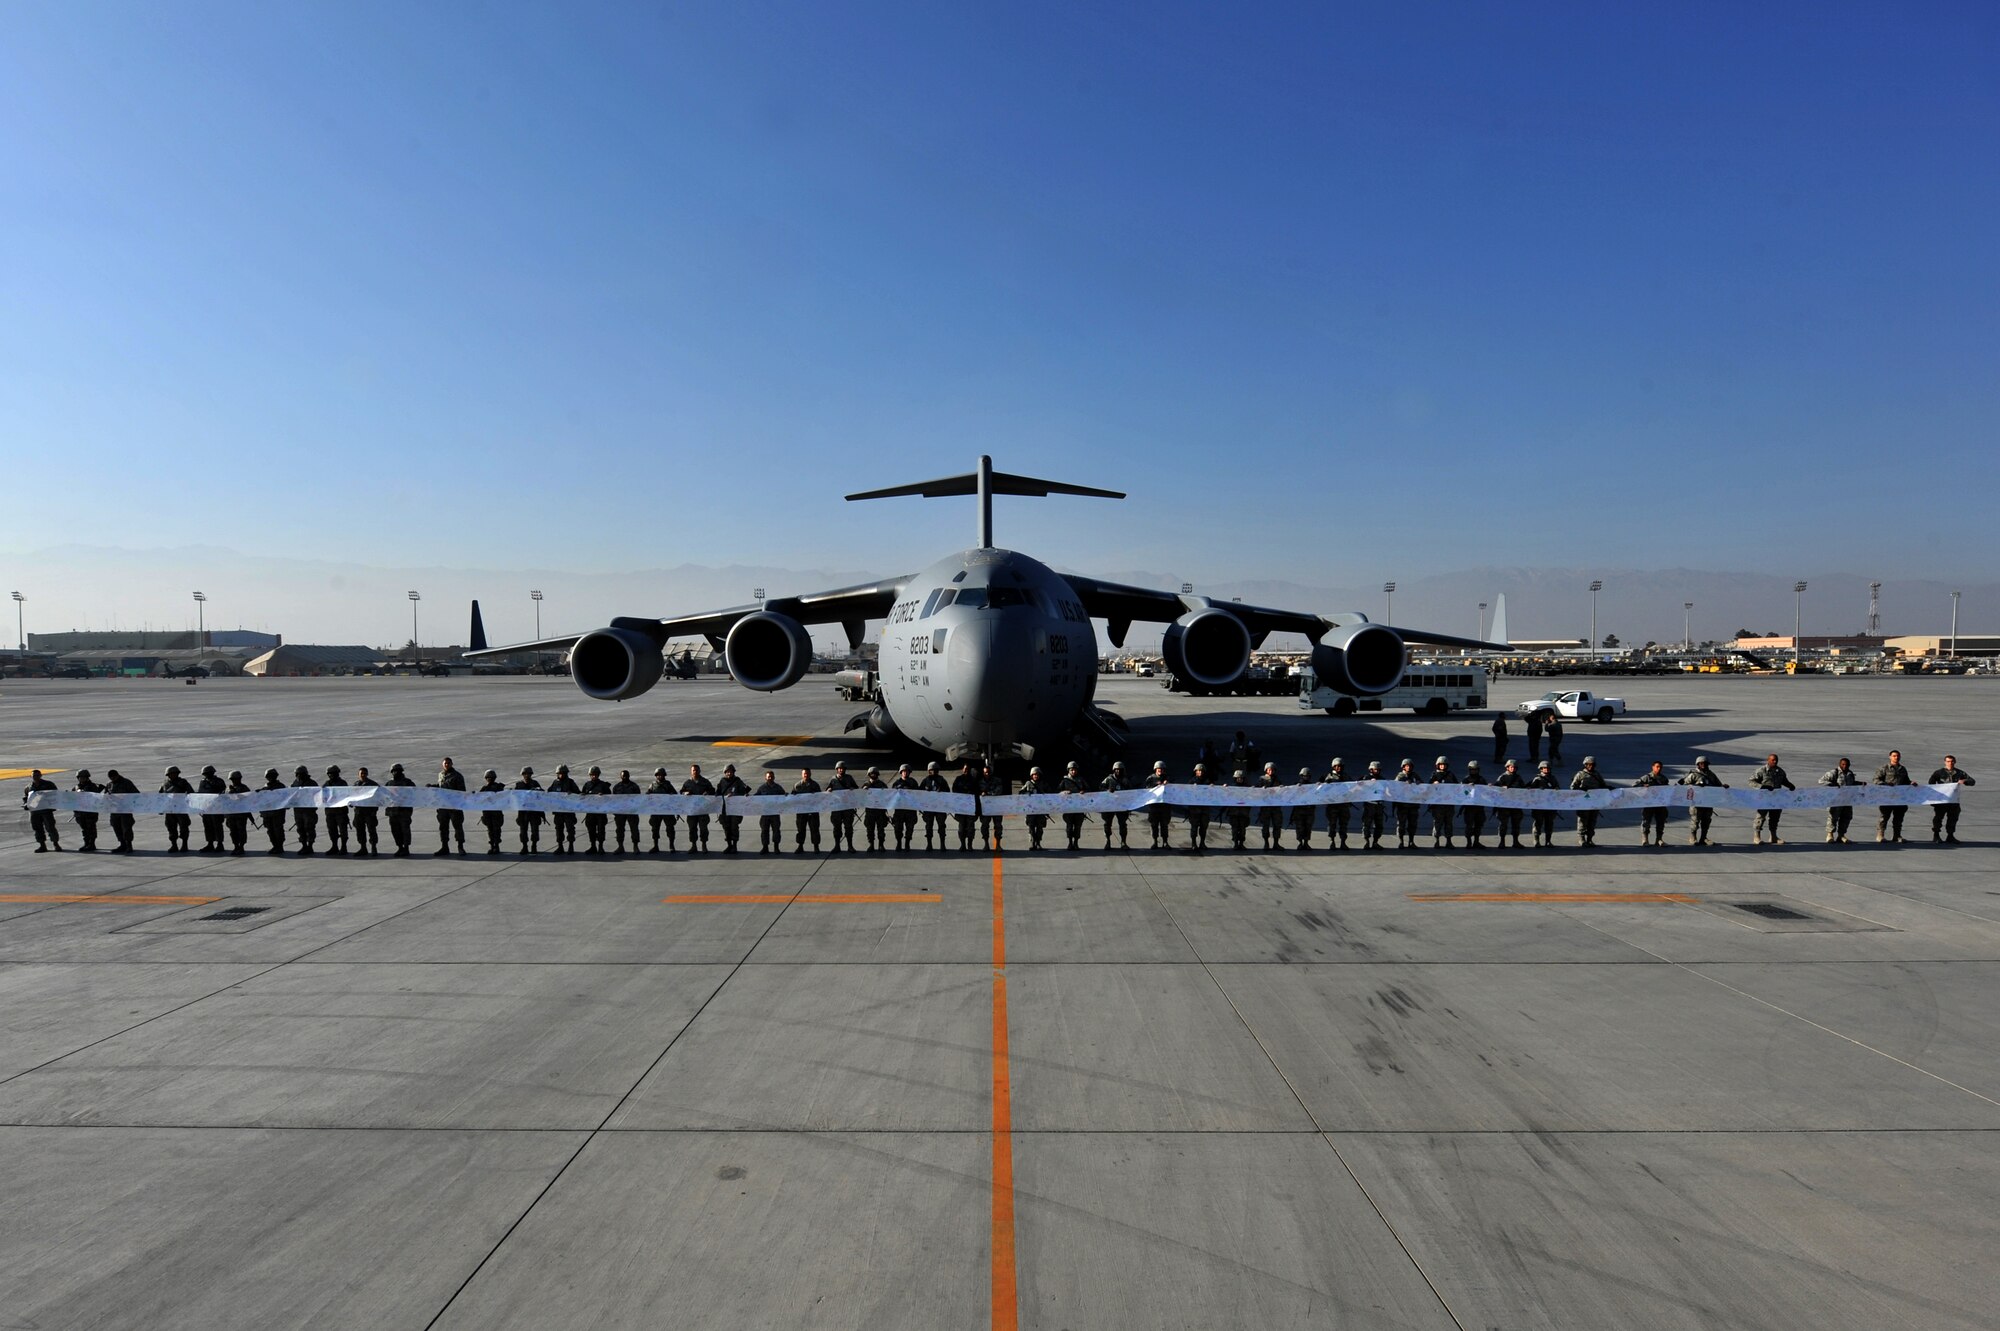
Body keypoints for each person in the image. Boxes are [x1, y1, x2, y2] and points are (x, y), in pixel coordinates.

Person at [1749, 754, 1794, 845]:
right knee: (1760, 817)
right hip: (1764, 798)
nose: (1775, 762)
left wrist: (1790, 786)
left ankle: (1773, 837)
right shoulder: (1761, 771)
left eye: (1776, 760)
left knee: (1775, 817)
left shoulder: (1780, 771)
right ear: (1768, 760)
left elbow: (1784, 781)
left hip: (1776, 799)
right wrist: (1762, 786)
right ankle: (1757, 836)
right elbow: (1751, 781)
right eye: (1773, 760)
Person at [1680, 756, 1725, 845]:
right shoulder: (1693, 775)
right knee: (1695, 820)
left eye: (1705, 763)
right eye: (1701, 763)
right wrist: (1696, 786)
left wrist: (1723, 787)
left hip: (1708, 802)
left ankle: (1703, 838)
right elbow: (1685, 787)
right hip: (1696, 802)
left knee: (1706, 821)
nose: (1703, 765)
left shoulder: (1711, 775)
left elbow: (1718, 785)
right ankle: (1693, 837)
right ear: (1698, 764)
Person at [1929, 756, 1974, 843]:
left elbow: (1972, 781)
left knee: (1953, 818)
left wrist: (1964, 781)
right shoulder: (1938, 773)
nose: (1950, 763)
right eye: (1948, 761)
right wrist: (1934, 797)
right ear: (1945, 762)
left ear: (1955, 762)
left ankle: (1950, 835)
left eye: (1952, 761)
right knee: (1938, 818)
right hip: (1942, 800)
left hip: (1953, 801)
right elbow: (1931, 784)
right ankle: (1936, 835)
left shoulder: (1959, 772)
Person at [1873, 750, 1913, 843]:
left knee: (1899, 817)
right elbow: (1876, 780)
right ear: (1890, 757)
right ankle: (1880, 835)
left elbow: (1906, 780)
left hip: (1900, 797)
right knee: (1884, 817)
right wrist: (1886, 784)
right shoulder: (1884, 768)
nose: (1896, 757)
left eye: (1898, 756)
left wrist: (1911, 783)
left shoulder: (1902, 769)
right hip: (1887, 797)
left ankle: (1897, 835)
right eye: (1894, 756)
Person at [1570, 756, 1609, 847]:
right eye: (1588, 765)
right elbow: (1572, 787)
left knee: (1592, 821)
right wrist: (1581, 789)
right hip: (1583, 802)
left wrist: (1609, 788)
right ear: (1585, 765)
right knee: (1583, 821)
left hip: (1594, 802)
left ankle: (1590, 839)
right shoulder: (1580, 774)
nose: (1590, 766)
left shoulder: (1597, 774)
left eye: (1592, 765)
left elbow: (1603, 785)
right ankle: (1582, 839)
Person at [1819, 758, 1859, 844]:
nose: (1845, 766)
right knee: (1833, 817)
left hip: (1847, 800)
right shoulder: (1834, 773)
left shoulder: (1850, 774)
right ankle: (1830, 835)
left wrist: (1860, 783)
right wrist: (1832, 784)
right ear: (1840, 764)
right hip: (1835, 800)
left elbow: (1851, 784)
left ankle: (1841, 835)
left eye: (1847, 765)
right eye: (1843, 764)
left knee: (1847, 817)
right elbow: (1821, 781)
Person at [433, 757, 467, 856]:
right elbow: (440, 787)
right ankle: (444, 847)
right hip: (443, 807)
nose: (446, 765)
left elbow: (462, 791)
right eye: (445, 763)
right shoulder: (440, 775)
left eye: (448, 763)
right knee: (443, 827)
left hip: (454, 807)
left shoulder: (457, 776)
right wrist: (432, 786)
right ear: (442, 764)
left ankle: (460, 847)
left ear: (452, 764)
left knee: (458, 827)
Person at [1634, 761, 1671, 846]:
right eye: (1657, 767)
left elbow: (1667, 789)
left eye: (1660, 767)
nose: (1659, 768)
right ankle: (1645, 839)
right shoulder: (1646, 777)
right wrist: (1643, 787)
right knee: (1646, 821)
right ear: (1653, 767)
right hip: (1649, 803)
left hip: (1660, 803)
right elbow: (1634, 786)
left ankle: (1659, 839)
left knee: (1661, 821)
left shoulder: (1664, 779)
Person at [1492, 759, 1527, 848]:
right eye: (1511, 767)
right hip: (1504, 805)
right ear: (1507, 767)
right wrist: (1501, 787)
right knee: (1503, 824)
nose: (1513, 769)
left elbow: (1523, 788)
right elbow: (1495, 787)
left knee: (1516, 824)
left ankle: (1515, 841)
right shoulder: (1503, 777)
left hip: (1515, 804)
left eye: (1514, 767)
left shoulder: (1518, 777)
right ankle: (1502, 841)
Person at [681, 764, 715, 852]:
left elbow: (713, 790)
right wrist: (685, 793)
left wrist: (707, 792)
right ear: (691, 772)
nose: (695, 772)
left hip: (703, 810)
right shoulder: (687, 783)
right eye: (693, 770)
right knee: (692, 828)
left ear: (699, 771)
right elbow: (681, 792)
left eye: (697, 770)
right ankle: (693, 845)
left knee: (703, 829)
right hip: (692, 811)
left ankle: (704, 845)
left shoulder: (705, 782)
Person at [547, 765, 581, 854]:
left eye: (563, 773)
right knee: (559, 829)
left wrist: (571, 793)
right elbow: (549, 792)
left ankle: (571, 846)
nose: (561, 775)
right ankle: (560, 846)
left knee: (570, 829)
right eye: (559, 774)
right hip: (558, 811)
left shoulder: (570, 782)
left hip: (568, 811)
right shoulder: (555, 782)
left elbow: (578, 793)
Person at [385, 763, 418, 856]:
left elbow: (415, 793)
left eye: (398, 770)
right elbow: (384, 796)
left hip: (404, 811)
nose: (396, 772)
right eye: (394, 771)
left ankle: (406, 848)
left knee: (405, 830)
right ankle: (400, 847)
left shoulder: (408, 782)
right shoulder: (389, 783)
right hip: (392, 812)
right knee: (395, 830)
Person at [715, 764, 749, 853]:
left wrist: (736, 795)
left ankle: (734, 846)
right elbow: (717, 793)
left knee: (734, 827)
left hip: (735, 809)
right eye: (727, 772)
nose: (729, 773)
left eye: (731, 771)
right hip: (724, 809)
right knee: (726, 827)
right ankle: (729, 845)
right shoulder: (722, 781)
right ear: (725, 773)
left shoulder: (738, 781)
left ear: (734, 772)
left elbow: (745, 791)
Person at [1320, 758, 1352, 850]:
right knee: (1332, 824)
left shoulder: (1346, 777)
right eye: (1337, 766)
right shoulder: (1328, 777)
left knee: (1344, 824)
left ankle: (1343, 842)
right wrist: (1325, 784)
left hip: (1344, 805)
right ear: (1333, 766)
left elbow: (1353, 787)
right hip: (1332, 805)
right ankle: (1332, 841)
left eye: (1340, 766)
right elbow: (1322, 789)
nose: (1339, 768)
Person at [24, 770, 61, 852]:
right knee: (37, 828)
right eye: (34, 776)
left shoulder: (48, 784)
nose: (36, 777)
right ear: (31, 777)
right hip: (34, 812)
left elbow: (56, 794)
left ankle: (56, 844)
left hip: (46, 811)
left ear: (41, 776)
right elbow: (26, 798)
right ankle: (42, 845)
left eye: (37, 775)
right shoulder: (28, 787)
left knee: (50, 827)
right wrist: (25, 805)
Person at [826, 762, 859, 852]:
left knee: (848, 827)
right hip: (837, 807)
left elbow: (856, 788)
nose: (841, 770)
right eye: (839, 768)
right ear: (837, 769)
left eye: (842, 768)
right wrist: (829, 789)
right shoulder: (833, 779)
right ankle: (837, 846)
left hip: (847, 807)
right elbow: (828, 790)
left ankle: (850, 846)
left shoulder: (849, 778)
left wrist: (853, 788)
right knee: (836, 827)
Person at [105, 769, 141, 852]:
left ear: (117, 775)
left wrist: (127, 800)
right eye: (111, 777)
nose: (112, 779)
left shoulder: (126, 782)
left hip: (125, 810)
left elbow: (136, 794)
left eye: (114, 777)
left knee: (126, 828)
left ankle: (129, 845)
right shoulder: (109, 784)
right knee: (116, 827)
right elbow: (106, 795)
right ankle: (122, 844)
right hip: (114, 811)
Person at [162, 766, 195, 853]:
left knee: (184, 827)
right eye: (170, 774)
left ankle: (184, 845)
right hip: (170, 809)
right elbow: (161, 796)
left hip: (181, 808)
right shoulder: (165, 784)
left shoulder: (183, 782)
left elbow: (191, 793)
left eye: (174, 773)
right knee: (171, 828)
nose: (172, 775)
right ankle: (174, 845)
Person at [1527, 760, 1560, 847]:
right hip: (1539, 805)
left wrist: (1556, 788)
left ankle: (1548, 841)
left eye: (1548, 768)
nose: (1546, 770)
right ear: (1541, 769)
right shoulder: (1537, 779)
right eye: (1544, 768)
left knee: (1549, 823)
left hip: (1550, 805)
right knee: (1538, 823)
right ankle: (1536, 840)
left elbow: (1558, 788)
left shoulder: (1553, 778)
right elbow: (1530, 790)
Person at [580, 766, 612, 854]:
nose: (594, 776)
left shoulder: (603, 785)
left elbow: (610, 797)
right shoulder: (587, 785)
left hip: (600, 812)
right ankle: (593, 846)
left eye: (595, 775)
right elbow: (582, 796)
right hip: (590, 812)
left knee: (601, 829)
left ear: (598, 775)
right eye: (592, 775)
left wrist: (603, 796)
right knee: (591, 830)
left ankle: (601, 847)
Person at [284, 766, 316, 855]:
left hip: (308, 811)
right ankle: (304, 845)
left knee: (309, 828)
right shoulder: (295, 783)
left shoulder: (311, 783)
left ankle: (310, 846)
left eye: (299, 774)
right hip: (298, 811)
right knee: (300, 829)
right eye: (296, 774)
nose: (297, 775)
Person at [513, 766, 545, 854]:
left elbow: (541, 796)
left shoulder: (535, 783)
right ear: (522, 775)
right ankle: (524, 846)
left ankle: (534, 845)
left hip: (534, 812)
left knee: (535, 830)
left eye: (528, 774)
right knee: (523, 831)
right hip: (523, 812)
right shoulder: (519, 784)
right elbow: (515, 796)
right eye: (525, 774)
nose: (527, 775)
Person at [919, 762, 951, 850]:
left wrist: (942, 791)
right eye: (932, 770)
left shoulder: (942, 780)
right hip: (929, 807)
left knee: (941, 826)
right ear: (929, 771)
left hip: (939, 807)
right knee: (929, 826)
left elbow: (948, 791)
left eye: (936, 770)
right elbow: (919, 793)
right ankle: (929, 844)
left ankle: (942, 844)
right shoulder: (925, 780)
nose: (934, 772)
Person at [1099, 760, 1131, 848]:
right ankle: (1107, 841)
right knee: (1107, 824)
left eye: (1120, 769)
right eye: (1116, 769)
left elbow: (1131, 792)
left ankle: (1123, 842)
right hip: (1110, 805)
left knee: (1123, 824)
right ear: (1114, 770)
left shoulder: (1125, 780)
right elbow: (1101, 788)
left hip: (1121, 805)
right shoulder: (1108, 779)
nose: (1118, 771)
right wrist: (1107, 791)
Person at [792, 766, 824, 852]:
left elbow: (820, 797)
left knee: (814, 829)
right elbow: (792, 798)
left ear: (810, 774)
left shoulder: (815, 785)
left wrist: (815, 795)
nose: (806, 775)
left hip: (812, 812)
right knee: (800, 829)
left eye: (807, 773)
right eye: (804, 773)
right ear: (802, 775)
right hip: (801, 812)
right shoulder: (797, 785)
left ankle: (816, 846)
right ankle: (800, 846)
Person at [196, 765, 227, 853]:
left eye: (208, 773)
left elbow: (223, 794)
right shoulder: (202, 782)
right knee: (207, 826)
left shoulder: (219, 781)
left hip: (216, 808)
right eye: (205, 774)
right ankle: (210, 843)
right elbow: (200, 794)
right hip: (206, 808)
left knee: (217, 826)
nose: (207, 775)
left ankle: (220, 844)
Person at [950, 763, 981, 851]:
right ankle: (962, 845)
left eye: (967, 769)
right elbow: (954, 790)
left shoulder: (973, 780)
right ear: (962, 769)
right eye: (964, 768)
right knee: (961, 829)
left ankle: (970, 845)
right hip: (961, 808)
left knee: (971, 829)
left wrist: (977, 809)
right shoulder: (958, 779)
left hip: (970, 808)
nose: (965, 770)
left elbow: (977, 793)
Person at [1392, 759, 1422, 850]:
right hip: (1402, 806)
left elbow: (1423, 786)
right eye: (1406, 766)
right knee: (1401, 825)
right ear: (1403, 767)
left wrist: (1419, 783)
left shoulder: (1415, 775)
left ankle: (1411, 841)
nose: (1408, 767)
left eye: (1410, 766)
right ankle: (1401, 841)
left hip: (1413, 805)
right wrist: (1404, 784)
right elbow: (1395, 787)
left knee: (1413, 824)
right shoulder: (1400, 776)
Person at [646, 768, 678, 853]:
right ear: (656, 776)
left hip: (667, 810)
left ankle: (671, 845)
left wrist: (671, 795)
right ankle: (655, 845)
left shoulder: (668, 785)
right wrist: (648, 794)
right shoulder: (652, 785)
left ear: (664, 775)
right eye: (658, 774)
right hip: (656, 811)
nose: (660, 776)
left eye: (662, 774)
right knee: (655, 829)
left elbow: (676, 796)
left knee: (670, 828)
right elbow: (647, 796)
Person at [352, 765, 382, 857]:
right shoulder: (356, 784)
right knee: (360, 831)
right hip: (359, 812)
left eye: (365, 773)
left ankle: (373, 847)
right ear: (358, 774)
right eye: (361, 773)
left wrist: (374, 810)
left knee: (371, 830)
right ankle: (363, 847)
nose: (363, 775)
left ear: (367, 774)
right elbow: (351, 795)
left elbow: (378, 797)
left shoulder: (373, 784)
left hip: (369, 812)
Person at [890, 764, 920, 852]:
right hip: (899, 810)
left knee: (910, 828)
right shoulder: (896, 783)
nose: (905, 773)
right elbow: (892, 795)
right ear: (901, 772)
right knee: (898, 828)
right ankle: (899, 843)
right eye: (903, 771)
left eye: (907, 771)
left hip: (910, 810)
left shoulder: (913, 782)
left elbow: (918, 794)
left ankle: (907, 843)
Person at [321, 765, 351, 855]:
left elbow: (346, 795)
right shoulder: (326, 784)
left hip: (340, 812)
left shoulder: (342, 783)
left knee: (343, 830)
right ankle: (334, 846)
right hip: (330, 812)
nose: (331, 775)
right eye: (329, 774)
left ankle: (344, 847)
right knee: (332, 830)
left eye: (333, 773)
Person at [1059, 760, 1088, 851]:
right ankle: (1070, 842)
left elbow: (1089, 789)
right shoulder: (1064, 781)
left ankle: (1076, 843)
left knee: (1078, 826)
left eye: (1075, 770)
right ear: (1069, 770)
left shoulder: (1081, 780)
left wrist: (1084, 792)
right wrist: (1063, 792)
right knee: (1069, 826)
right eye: (1071, 770)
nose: (1073, 771)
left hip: (1079, 807)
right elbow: (1057, 791)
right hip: (1068, 808)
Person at [1427, 756, 1456, 849]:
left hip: (1448, 804)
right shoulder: (1434, 774)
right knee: (1437, 823)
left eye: (1444, 765)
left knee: (1449, 823)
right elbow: (1428, 786)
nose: (1442, 766)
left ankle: (1449, 841)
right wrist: (1433, 783)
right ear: (1437, 765)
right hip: (1438, 805)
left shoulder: (1451, 775)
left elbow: (1457, 786)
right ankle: (1437, 840)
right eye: (1441, 765)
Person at [258, 768, 288, 855]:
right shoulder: (265, 788)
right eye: (269, 776)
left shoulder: (280, 787)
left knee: (278, 830)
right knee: (270, 830)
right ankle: (275, 845)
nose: (270, 778)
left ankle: (280, 846)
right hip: (267, 814)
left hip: (277, 813)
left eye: (272, 776)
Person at [72, 770, 103, 852]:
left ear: (87, 777)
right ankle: (86, 843)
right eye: (80, 777)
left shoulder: (93, 787)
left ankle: (92, 844)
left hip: (90, 812)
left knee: (91, 828)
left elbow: (96, 798)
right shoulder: (76, 787)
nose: (81, 779)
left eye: (83, 777)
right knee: (84, 829)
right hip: (80, 812)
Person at [611, 769, 641, 853]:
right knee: (619, 829)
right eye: (623, 776)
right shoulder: (616, 787)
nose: (624, 777)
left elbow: (638, 799)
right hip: (620, 812)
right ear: (620, 776)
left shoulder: (634, 786)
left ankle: (635, 846)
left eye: (626, 776)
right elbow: (613, 799)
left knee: (634, 829)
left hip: (632, 811)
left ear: (629, 776)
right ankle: (620, 846)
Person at [754, 769, 785, 852]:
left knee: (776, 830)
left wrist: (786, 795)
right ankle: (765, 847)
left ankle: (776, 847)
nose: (770, 778)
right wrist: (747, 797)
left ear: (774, 777)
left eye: (771, 776)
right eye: (768, 777)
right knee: (764, 830)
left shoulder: (778, 787)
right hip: (765, 813)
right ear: (765, 778)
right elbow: (755, 797)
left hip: (775, 813)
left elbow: (784, 797)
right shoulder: (762, 788)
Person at [1359, 760, 1387, 850]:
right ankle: (1366, 841)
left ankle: (1375, 842)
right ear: (1371, 770)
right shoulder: (1366, 778)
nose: (1377, 771)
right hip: (1369, 805)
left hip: (1379, 805)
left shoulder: (1382, 779)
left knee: (1379, 825)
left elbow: (1388, 789)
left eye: (1378, 770)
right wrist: (1369, 783)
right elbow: (1358, 786)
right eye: (1375, 770)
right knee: (1367, 824)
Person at [1145, 761, 1173, 848]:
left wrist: (1168, 784)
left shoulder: (1168, 778)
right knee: (1154, 825)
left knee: (1164, 824)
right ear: (1155, 769)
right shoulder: (1150, 778)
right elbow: (1146, 789)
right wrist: (1156, 785)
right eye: (1158, 769)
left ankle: (1165, 842)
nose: (1160, 770)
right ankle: (1155, 841)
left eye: (1162, 769)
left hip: (1165, 806)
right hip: (1154, 806)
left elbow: (1174, 789)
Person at [478, 769, 508, 854]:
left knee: (496, 829)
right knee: (490, 830)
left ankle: (497, 846)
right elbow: (479, 799)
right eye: (488, 777)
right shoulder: (484, 788)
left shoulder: (498, 787)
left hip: (496, 812)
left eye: (491, 777)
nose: (490, 779)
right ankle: (492, 845)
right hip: (487, 812)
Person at [1460, 760, 1488, 849]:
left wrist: (1489, 786)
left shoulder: (1481, 779)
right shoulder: (1466, 780)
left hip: (1479, 806)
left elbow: (1486, 791)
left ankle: (1476, 841)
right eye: (1472, 769)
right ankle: (1469, 842)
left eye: (1475, 769)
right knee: (1469, 825)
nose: (1474, 771)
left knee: (1479, 824)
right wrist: (1467, 787)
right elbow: (1460, 792)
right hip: (1469, 807)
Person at [1185, 764, 1213, 851]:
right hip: (1194, 808)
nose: (1200, 772)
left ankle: (1202, 843)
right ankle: (1193, 843)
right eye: (1198, 770)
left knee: (1204, 827)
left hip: (1204, 808)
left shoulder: (1208, 781)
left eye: (1201, 771)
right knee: (1194, 826)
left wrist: (1213, 787)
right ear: (1195, 772)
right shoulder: (1191, 781)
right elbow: (1186, 792)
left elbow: (1213, 794)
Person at [1256, 763, 1284, 850]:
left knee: (1277, 825)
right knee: (1265, 825)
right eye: (1269, 770)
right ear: (1266, 770)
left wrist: (1282, 788)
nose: (1270, 771)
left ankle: (1276, 843)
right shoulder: (1262, 779)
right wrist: (1261, 789)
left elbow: (1282, 792)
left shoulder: (1277, 780)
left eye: (1272, 770)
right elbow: (1256, 790)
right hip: (1266, 806)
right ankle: (1266, 843)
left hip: (1275, 806)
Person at [1019, 766, 1048, 849]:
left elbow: (1050, 793)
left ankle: (1038, 842)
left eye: (1037, 774)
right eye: (1034, 774)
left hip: (1041, 809)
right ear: (1031, 775)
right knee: (1031, 827)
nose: (1036, 776)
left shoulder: (1043, 784)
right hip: (1030, 810)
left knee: (1040, 827)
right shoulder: (1028, 783)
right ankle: (1032, 843)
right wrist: (1027, 794)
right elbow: (1020, 793)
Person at [224, 770, 252, 855]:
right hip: (231, 814)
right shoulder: (227, 789)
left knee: (241, 830)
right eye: (233, 779)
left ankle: (241, 846)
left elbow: (247, 800)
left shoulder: (244, 788)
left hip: (241, 814)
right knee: (233, 831)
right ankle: (236, 846)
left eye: (236, 779)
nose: (234, 781)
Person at [862, 767, 890, 851]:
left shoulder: (882, 784)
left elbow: (888, 796)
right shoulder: (865, 785)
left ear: (877, 774)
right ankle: (871, 844)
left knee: (881, 829)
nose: (873, 775)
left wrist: (884, 791)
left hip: (880, 811)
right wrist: (863, 791)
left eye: (875, 773)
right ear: (869, 775)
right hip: (870, 811)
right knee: (870, 829)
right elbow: (860, 797)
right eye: (871, 773)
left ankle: (881, 844)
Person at [982, 762, 1008, 850]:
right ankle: (986, 844)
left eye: (988, 772)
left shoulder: (997, 780)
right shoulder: (980, 781)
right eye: (985, 772)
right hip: (986, 808)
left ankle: (998, 844)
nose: (987, 774)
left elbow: (998, 791)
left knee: (998, 826)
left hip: (996, 807)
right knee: (984, 826)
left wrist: (987, 793)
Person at [1228, 769, 1256, 850]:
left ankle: (1241, 843)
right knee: (1235, 828)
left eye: (1241, 778)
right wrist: (1225, 788)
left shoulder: (1247, 788)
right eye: (1238, 778)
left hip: (1244, 812)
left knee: (1243, 829)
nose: (1239, 779)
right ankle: (1235, 843)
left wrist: (1253, 790)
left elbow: (1252, 796)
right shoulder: (1231, 787)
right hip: (1234, 812)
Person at [1293, 767, 1319, 850]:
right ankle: (1300, 843)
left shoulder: (1312, 786)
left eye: (1307, 776)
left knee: (1308, 827)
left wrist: (1319, 786)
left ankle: (1306, 843)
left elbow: (1317, 794)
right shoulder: (1297, 785)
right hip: (1299, 811)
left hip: (1309, 810)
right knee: (1300, 827)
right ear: (1301, 776)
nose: (1306, 777)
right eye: (1304, 776)